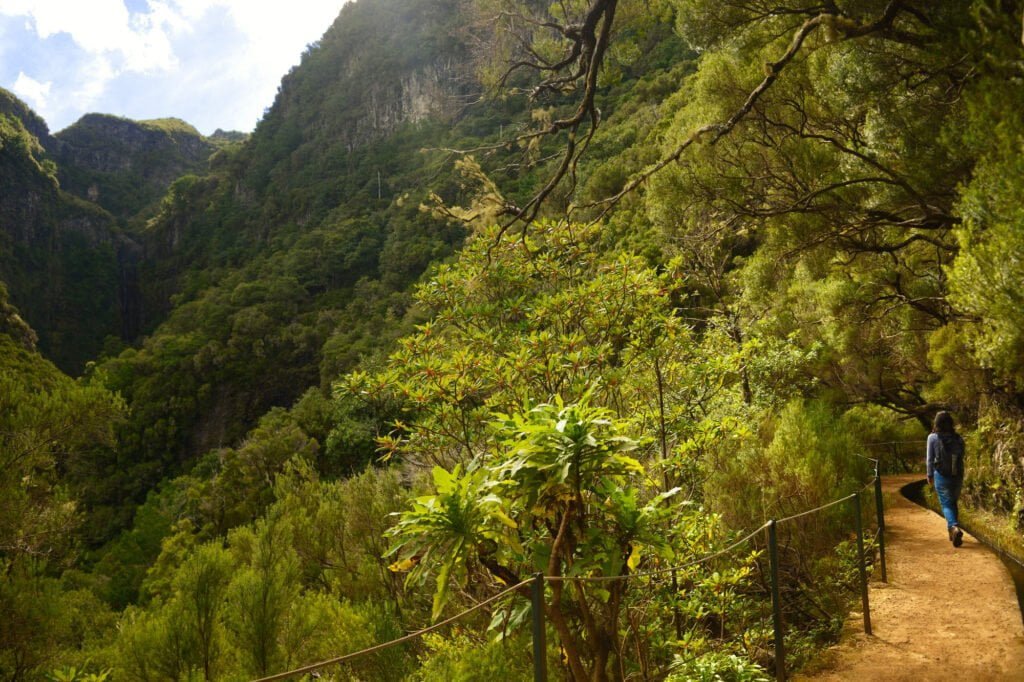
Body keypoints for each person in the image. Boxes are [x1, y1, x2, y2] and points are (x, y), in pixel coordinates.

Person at [926, 411, 966, 547]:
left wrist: (929, 475)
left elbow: (930, 459)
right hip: (957, 475)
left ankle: (954, 527)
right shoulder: (958, 438)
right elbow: (962, 456)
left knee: (946, 504)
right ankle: (952, 533)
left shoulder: (932, 438)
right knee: (953, 502)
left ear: (936, 423)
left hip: (941, 475)